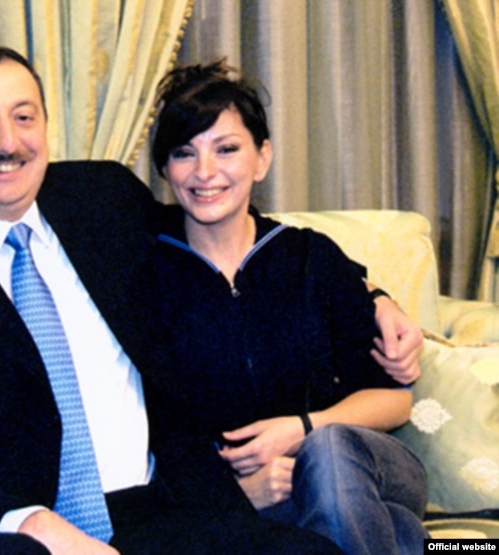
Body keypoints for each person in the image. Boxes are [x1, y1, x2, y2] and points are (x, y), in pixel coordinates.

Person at [0, 45, 420, 554]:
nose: (6, 142)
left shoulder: (100, 200)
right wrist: (28, 524)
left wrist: (374, 296)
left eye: (24, 117)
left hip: (165, 512)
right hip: (17, 538)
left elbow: (224, 226)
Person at [143, 59, 428, 554]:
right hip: (255, 498)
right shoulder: (145, 273)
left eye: (227, 149)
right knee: (399, 532)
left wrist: (302, 431)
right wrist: (233, 494)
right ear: (165, 168)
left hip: (369, 464)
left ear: (262, 158)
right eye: (185, 153)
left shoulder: (309, 257)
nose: (205, 172)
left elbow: (395, 399)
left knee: (330, 455)